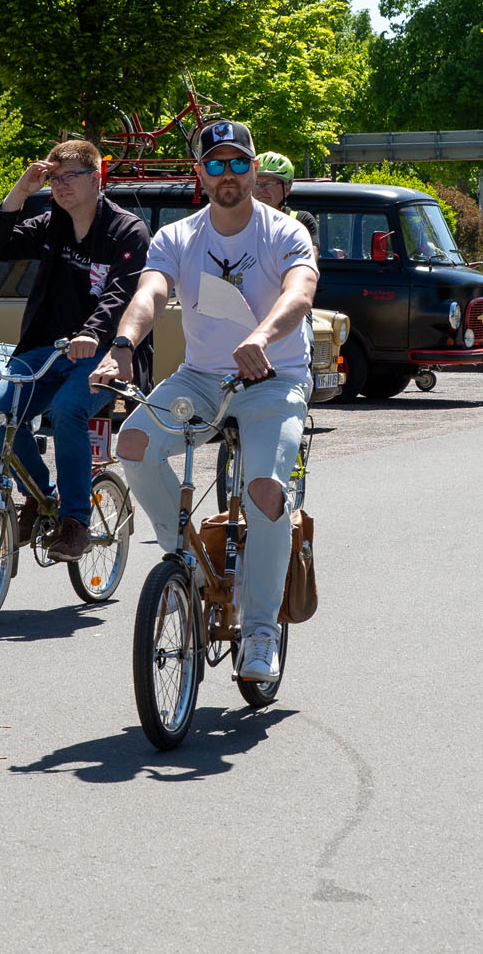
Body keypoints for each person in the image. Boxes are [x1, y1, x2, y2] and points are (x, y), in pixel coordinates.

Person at [91, 119, 317, 683]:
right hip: (201, 377)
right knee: (134, 442)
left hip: (273, 377)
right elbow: (151, 292)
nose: (228, 175)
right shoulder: (177, 237)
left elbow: (300, 291)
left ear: (254, 166)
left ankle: (261, 628)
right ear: (200, 173)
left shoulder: (285, 231)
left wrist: (261, 338)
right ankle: (187, 559)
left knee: (265, 494)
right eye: (215, 164)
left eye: (238, 163)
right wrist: (121, 346)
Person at [0, 140, 151, 561]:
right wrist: (20, 192)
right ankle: (40, 496)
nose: (59, 185)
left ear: (97, 178)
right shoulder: (49, 223)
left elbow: (120, 293)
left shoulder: (126, 230)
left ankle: (75, 521)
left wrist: (92, 333)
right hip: (46, 348)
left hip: (106, 352)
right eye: (53, 178)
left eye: (69, 176)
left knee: (67, 411)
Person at [253, 151, 319, 249]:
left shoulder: (301, 220)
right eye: (256, 183)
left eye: (269, 183)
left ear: (286, 189)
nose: (261, 189)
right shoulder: (238, 220)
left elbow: (310, 254)